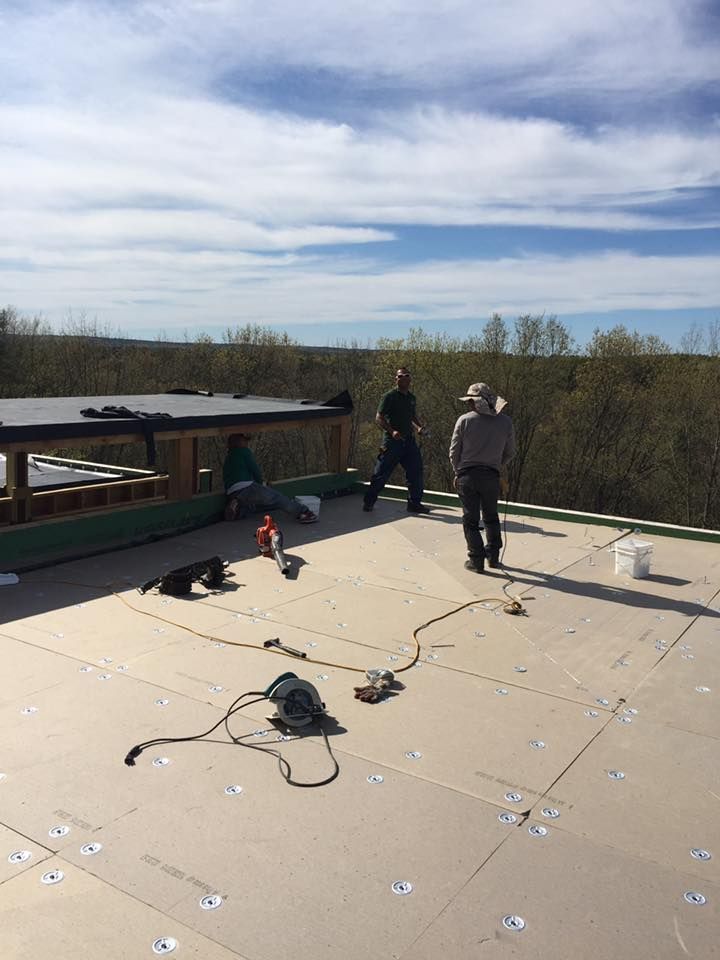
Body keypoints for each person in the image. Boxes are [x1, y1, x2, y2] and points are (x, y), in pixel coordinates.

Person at [449, 383, 515, 572]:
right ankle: (493, 557)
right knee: (491, 517)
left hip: (467, 476)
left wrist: (457, 471)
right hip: (491, 477)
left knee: (470, 520)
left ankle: (476, 560)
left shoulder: (464, 420)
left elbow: (454, 452)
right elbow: (511, 452)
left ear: (473, 402)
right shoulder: (505, 422)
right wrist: (496, 464)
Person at [363, 367, 430, 514]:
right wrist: (391, 431)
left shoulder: (411, 398)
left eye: (406, 375)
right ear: (396, 379)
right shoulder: (389, 396)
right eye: (400, 376)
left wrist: (419, 427)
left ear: (410, 379)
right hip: (392, 443)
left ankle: (414, 503)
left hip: (409, 442)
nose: (403, 378)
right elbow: (379, 417)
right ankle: (369, 502)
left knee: (416, 471)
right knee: (381, 474)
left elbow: (412, 417)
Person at [222, 434, 317, 523]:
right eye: (245, 441)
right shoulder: (243, 451)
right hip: (246, 487)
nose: (247, 443)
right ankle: (303, 512)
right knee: (276, 498)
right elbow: (255, 470)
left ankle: (237, 508)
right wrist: (261, 483)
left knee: (251, 505)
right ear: (239, 442)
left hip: (232, 492)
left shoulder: (228, 457)